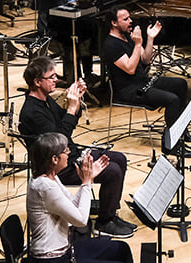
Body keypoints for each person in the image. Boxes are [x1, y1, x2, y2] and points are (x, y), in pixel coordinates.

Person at [24, 133, 142, 263]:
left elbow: (72, 205)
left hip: (64, 251)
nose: (69, 153)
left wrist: (88, 181)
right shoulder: (45, 187)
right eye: (66, 151)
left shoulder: (50, 178)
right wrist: (87, 183)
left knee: (120, 250)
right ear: (54, 159)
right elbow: (80, 220)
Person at [18, 56, 134, 238]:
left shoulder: (46, 100)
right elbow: (60, 141)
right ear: (37, 82)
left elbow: (66, 120)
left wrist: (77, 100)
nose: (56, 80)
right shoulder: (32, 112)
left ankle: (109, 209)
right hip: (56, 167)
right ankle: (105, 223)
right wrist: (71, 108)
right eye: (51, 77)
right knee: (112, 171)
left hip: (68, 155)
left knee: (119, 159)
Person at [101, 8, 191, 145]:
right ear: (114, 23)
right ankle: (173, 143)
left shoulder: (128, 37)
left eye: (129, 17)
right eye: (125, 19)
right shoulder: (110, 45)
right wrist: (138, 43)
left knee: (181, 84)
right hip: (129, 90)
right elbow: (130, 68)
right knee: (172, 100)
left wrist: (150, 38)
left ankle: (181, 131)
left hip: (143, 82)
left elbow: (146, 59)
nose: (130, 21)